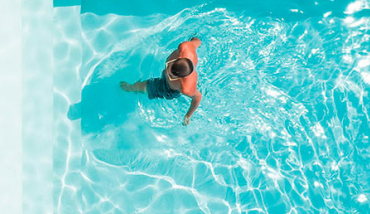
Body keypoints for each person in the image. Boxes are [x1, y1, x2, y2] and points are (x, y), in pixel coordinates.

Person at [120, 37, 202, 126]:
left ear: (182, 78)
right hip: (179, 78)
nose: (166, 72)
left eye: (171, 76)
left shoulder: (185, 88)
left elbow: (197, 97)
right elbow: (197, 42)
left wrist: (188, 116)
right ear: (178, 58)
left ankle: (132, 88)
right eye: (168, 66)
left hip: (168, 88)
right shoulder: (184, 47)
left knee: (137, 87)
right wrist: (196, 38)